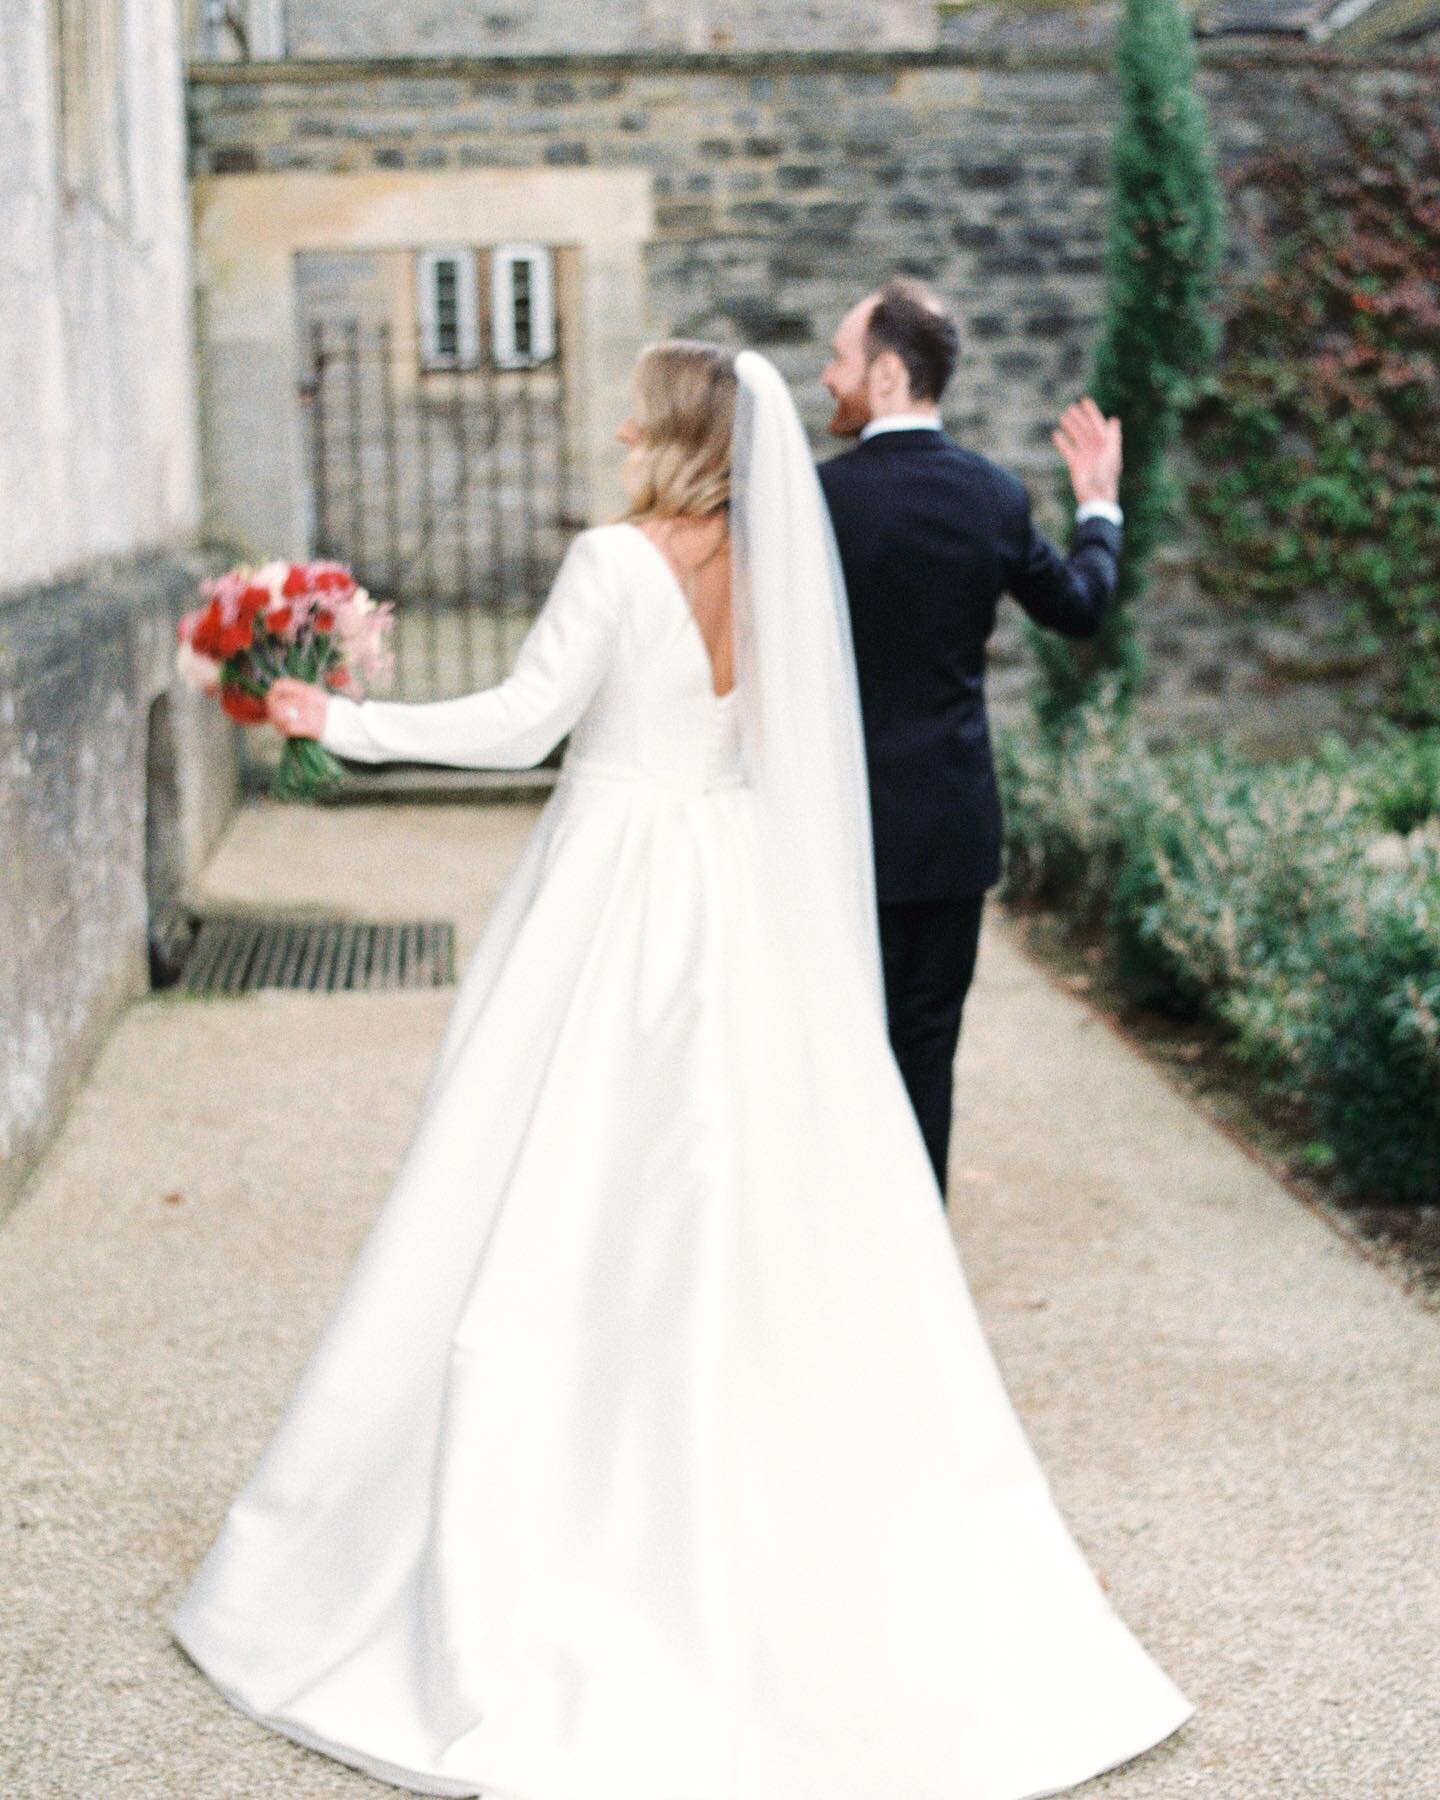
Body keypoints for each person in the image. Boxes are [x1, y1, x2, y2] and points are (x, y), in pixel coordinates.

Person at [170, 342, 1191, 1798]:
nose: (622, 418)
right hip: (728, 887)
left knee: (549, 1181)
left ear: (672, 432)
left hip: (613, 887)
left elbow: (525, 725)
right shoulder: (787, 570)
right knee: (718, 1177)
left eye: (639, 402)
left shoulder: (612, 557)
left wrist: (345, 720)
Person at [819, 277, 1125, 1196]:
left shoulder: (814, 501)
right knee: (926, 1046)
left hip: (840, 828)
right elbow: (1080, 609)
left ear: (882, 374)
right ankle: (917, 1253)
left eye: (837, 361)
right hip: (951, 825)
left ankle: (843, 1237)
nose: (825, 378)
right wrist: (1098, 507)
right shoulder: (992, 497)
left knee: (841, 1044)